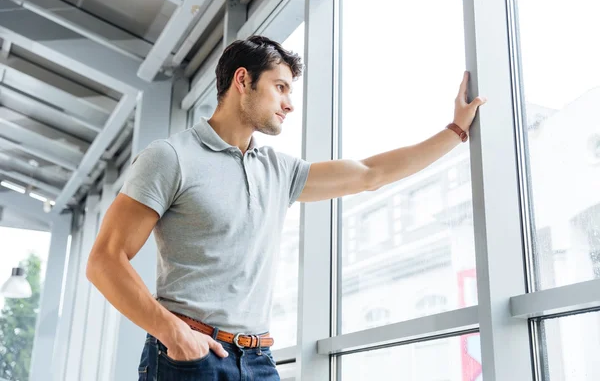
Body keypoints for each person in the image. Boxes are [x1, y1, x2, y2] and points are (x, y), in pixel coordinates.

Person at [86, 35, 486, 381]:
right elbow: (105, 260)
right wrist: (175, 335)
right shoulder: (171, 157)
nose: (289, 103)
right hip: (189, 356)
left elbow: (369, 173)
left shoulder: (279, 170)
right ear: (243, 80)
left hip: (259, 359)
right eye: (280, 87)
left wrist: (454, 132)